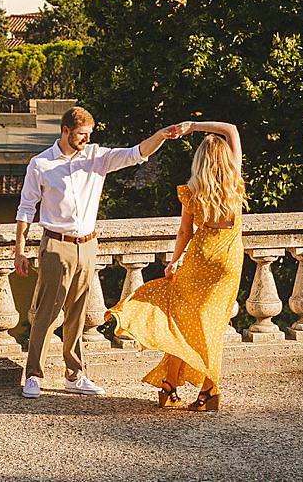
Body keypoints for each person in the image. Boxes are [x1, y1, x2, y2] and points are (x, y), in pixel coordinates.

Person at [13, 105, 190, 399]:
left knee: (78, 312)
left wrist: (161, 135)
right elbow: (26, 208)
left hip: (88, 244)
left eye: (89, 134)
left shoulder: (97, 157)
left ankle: (75, 375)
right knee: (47, 312)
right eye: (81, 134)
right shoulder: (40, 164)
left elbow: (136, 153)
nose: (86, 139)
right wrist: (19, 250)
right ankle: (33, 375)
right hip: (56, 245)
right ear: (66, 130)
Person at [108, 120, 244, 412]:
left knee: (181, 325)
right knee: (211, 327)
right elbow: (231, 129)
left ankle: (172, 386)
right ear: (226, 159)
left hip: (199, 260)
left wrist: (173, 262)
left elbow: (185, 232)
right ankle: (206, 391)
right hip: (229, 262)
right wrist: (194, 126)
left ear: (200, 162)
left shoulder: (192, 191)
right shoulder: (235, 182)